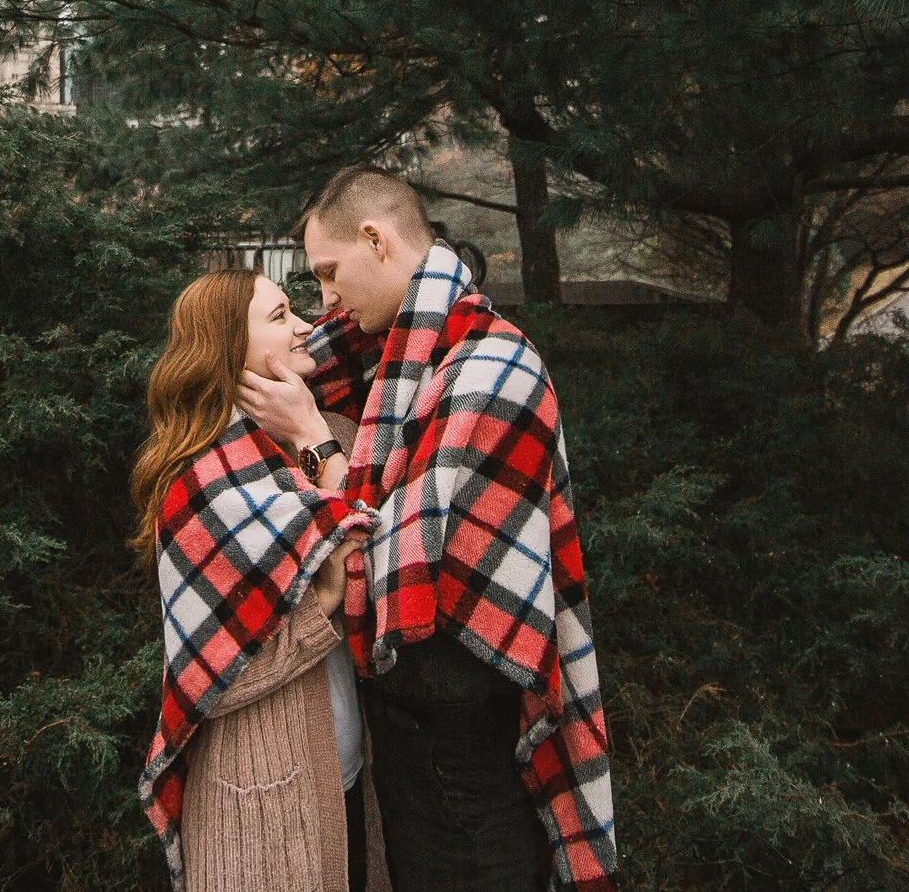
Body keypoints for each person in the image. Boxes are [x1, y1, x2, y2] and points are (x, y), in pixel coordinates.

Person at [241, 167, 616, 891]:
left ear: (376, 239)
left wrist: (317, 440)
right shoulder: (396, 358)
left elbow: (388, 569)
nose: (327, 301)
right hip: (410, 754)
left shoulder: (491, 368)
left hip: (466, 765)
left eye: (328, 273)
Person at [136, 268, 393, 892]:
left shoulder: (323, 439)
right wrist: (323, 605)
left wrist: (311, 439)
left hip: (353, 775)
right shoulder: (200, 481)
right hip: (260, 791)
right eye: (279, 318)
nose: (305, 326)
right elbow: (214, 678)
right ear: (229, 347)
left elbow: (391, 557)